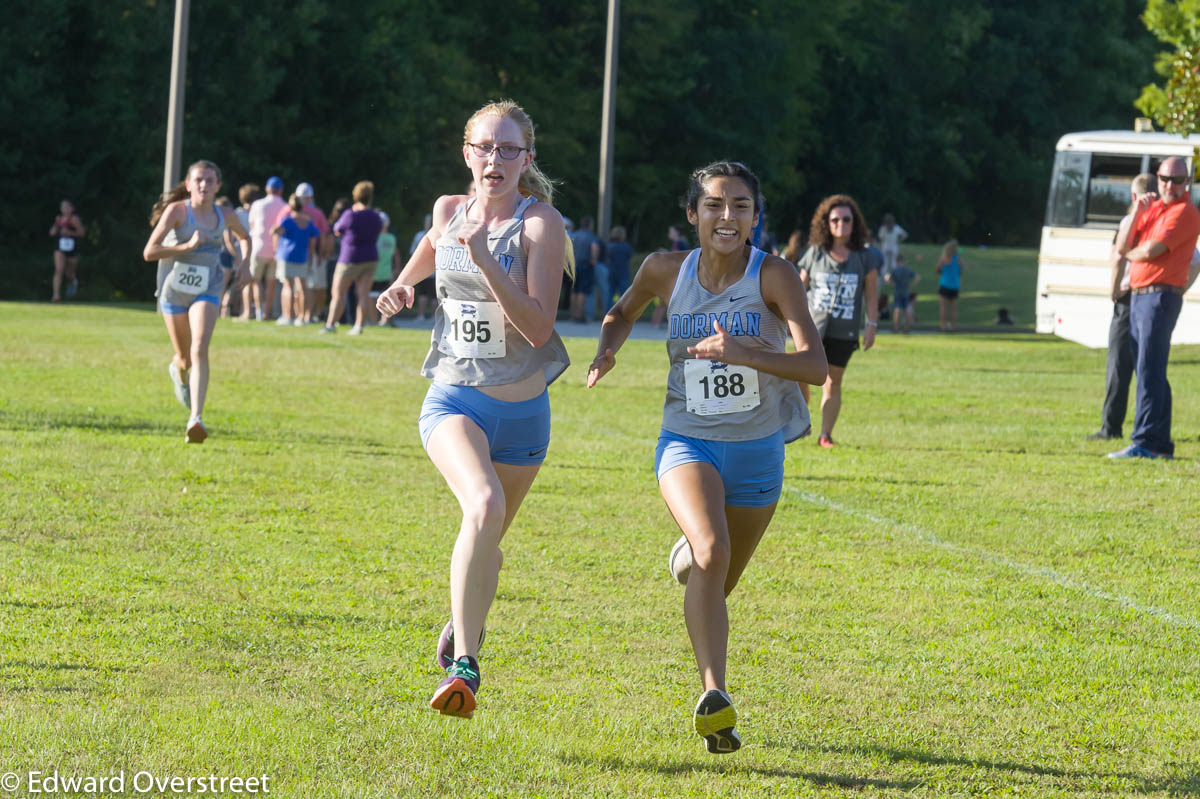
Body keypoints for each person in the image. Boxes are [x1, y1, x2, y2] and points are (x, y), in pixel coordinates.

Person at [588, 161, 826, 754]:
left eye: (741, 206)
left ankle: (692, 558)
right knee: (713, 551)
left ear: (754, 216)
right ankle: (715, 698)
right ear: (692, 214)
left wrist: (744, 352)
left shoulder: (775, 275)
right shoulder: (665, 270)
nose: (728, 217)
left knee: (717, 580)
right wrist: (607, 350)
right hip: (686, 439)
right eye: (715, 205)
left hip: (759, 450)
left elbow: (814, 367)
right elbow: (621, 312)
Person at [376, 100, 573, 718]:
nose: (495, 159)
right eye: (485, 147)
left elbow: (540, 329)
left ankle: (465, 620)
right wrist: (405, 282)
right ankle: (465, 664)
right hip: (454, 398)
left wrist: (487, 258)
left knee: (488, 537)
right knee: (482, 505)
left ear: (526, 160)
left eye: (508, 149)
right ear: (467, 153)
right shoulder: (447, 211)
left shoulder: (541, 225)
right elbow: (434, 250)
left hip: (524, 415)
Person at [142, 159, 250, 443]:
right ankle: (178, 371)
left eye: (210, 180)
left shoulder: (225, 214)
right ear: (189, 185)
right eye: (199, 180)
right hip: (175, 289)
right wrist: (185, 246)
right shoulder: (177, 212)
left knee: (201, 347)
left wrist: (246, 265)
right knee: (185, 357)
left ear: (218, 186)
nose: (204, 185)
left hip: (209, 287)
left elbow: (245, 237)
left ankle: (196, 419)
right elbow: (149, 251)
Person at [1109, 156, 1200, 459]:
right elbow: (1123, 244)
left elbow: (1150, 250)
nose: (1169, 185)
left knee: (1149, 369)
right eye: (1165, 178)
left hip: (1160, 297)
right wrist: (1137, 211)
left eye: (1177, 180)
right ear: (1157, 177)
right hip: (1140, 295)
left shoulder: (1185, 212)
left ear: (1187, 182)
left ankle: (1145, 441)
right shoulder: (1153, 209)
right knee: (1150, 368)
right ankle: (1160, 443)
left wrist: (1131, 253)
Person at [796, 194, 880, 448]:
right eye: (835, 219)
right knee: (801, 377)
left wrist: (872, 326)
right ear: (826, 223)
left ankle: (825, 435)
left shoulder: (865, 257)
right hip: (812, 330)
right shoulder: (814, 254)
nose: (840, 224)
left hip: (844, 332)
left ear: (855, 223)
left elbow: (872, 294)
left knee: (833, 382)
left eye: (846, 219)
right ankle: (798, 424)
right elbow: (798, 289)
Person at [1087, 173, 1155, 441]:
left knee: (1118, 365)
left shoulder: (1130, 221)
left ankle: (1111, 427)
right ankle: (1149, 425)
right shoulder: (1163, 221)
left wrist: (1114, 290)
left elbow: (1118, 259)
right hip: (1153, 297)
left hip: (1128, 297)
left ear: (1133, 196)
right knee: (1149, 366)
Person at [325, 181, 384, 335]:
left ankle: (330, 325)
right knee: (363, 294)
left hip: (349, 258)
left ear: (355, 196)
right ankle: (358, 326)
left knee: (338, 293)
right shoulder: (375, 216)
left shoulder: (350, 214)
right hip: (370, 257)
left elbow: (337, 229)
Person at [280, 182, 330, 325]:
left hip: (289, 255)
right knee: (306, 287)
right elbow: (321, 237)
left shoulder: (287, 213)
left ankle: (290, 316)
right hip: (308, 255)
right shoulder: (315, 214)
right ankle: (305, 316)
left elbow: (277, 232)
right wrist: (320, 255)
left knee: (291, 287)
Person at [271, 194, 321, 326]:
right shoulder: (308, 222)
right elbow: (313, 242)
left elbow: (275, 231)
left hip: (287, 257)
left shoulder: (288, 220)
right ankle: (302, 317)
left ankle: (288, 316)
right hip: (302, 257)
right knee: (302, 287)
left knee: (287, 287)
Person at [246, 177, 287, 321]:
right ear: (281, 190)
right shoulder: (285, 206)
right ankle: (266, 313)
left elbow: (252, 225)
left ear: (267, 189)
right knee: (271, 284)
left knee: (256, 282)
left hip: (258, 246)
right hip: (276, 250)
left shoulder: (258, 204)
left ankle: (258, 311)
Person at [227, 184, 261, 320]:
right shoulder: (257, 212)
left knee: (242, 283)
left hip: (240, 253)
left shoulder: (237, 213)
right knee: (250, 283)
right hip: (252, 252)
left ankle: (244, 311)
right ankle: (249, 311)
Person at [49, 200, 85, 302]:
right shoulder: (59, 219)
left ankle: (72, 282)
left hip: (72, 248)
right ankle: (56, 294)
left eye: (66, 207)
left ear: (72, 209)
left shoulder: (74, 219)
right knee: (58, 270)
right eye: (62, 207)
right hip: (60, 248)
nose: (63, 209)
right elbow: (52, 233)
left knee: (69, 274)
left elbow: (81, 233)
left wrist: (70, 232)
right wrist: (56, 225)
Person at [371, 212, 400, 325]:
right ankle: (384, 321)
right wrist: (397, 268)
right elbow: (396, 254)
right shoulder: (391, 238)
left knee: (372, 297)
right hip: (386, 273)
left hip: (375, 272)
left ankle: (374, 321)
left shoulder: (374, 238)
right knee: (387, 298)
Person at [570, 216, 600, 322]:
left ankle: (573, 314)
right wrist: (594, 260)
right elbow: (594, 247)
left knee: (574, 291)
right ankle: (580, 316)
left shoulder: (575, 234)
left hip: (574, 265)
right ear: (590, 225)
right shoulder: (590, 236)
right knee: (582, 291)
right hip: (586, 265)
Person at [410, 213, 436, 320]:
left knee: (422, 293)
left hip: (422, 270)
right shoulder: (440, 235)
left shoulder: (419, 235)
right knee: (434, 295)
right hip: (435, 270)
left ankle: (421, 315)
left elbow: (413, 252)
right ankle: (435, 316)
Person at [886, 252, 919, 333]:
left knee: (897, 309)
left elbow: (887, 278)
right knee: (907, 308)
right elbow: (917, 277)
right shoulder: (907, 269)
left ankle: (896, 327)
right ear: (903, 261)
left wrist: (892, 284)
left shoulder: (895, 270)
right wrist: (912, 285)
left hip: (897, 291)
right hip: (905, 291)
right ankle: (907, 328)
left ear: (897, 261)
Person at [936, 239, 965, 331]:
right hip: (955, 285)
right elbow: (962, 269)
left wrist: (943, 271)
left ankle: (943, 326)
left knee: (943, 308)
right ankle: (952, 326)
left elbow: (938, 269)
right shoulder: (958, 258)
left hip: (944, 284)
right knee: (953, 309)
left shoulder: (943, 258)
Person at [605, 225, 633, 307]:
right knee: (624, 296)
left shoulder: (609, 246)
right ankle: (623, 315)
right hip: (623, 273)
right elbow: (629, 257)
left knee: (610, 295)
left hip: (612, 272)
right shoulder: (626, 246)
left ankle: (608, 314)